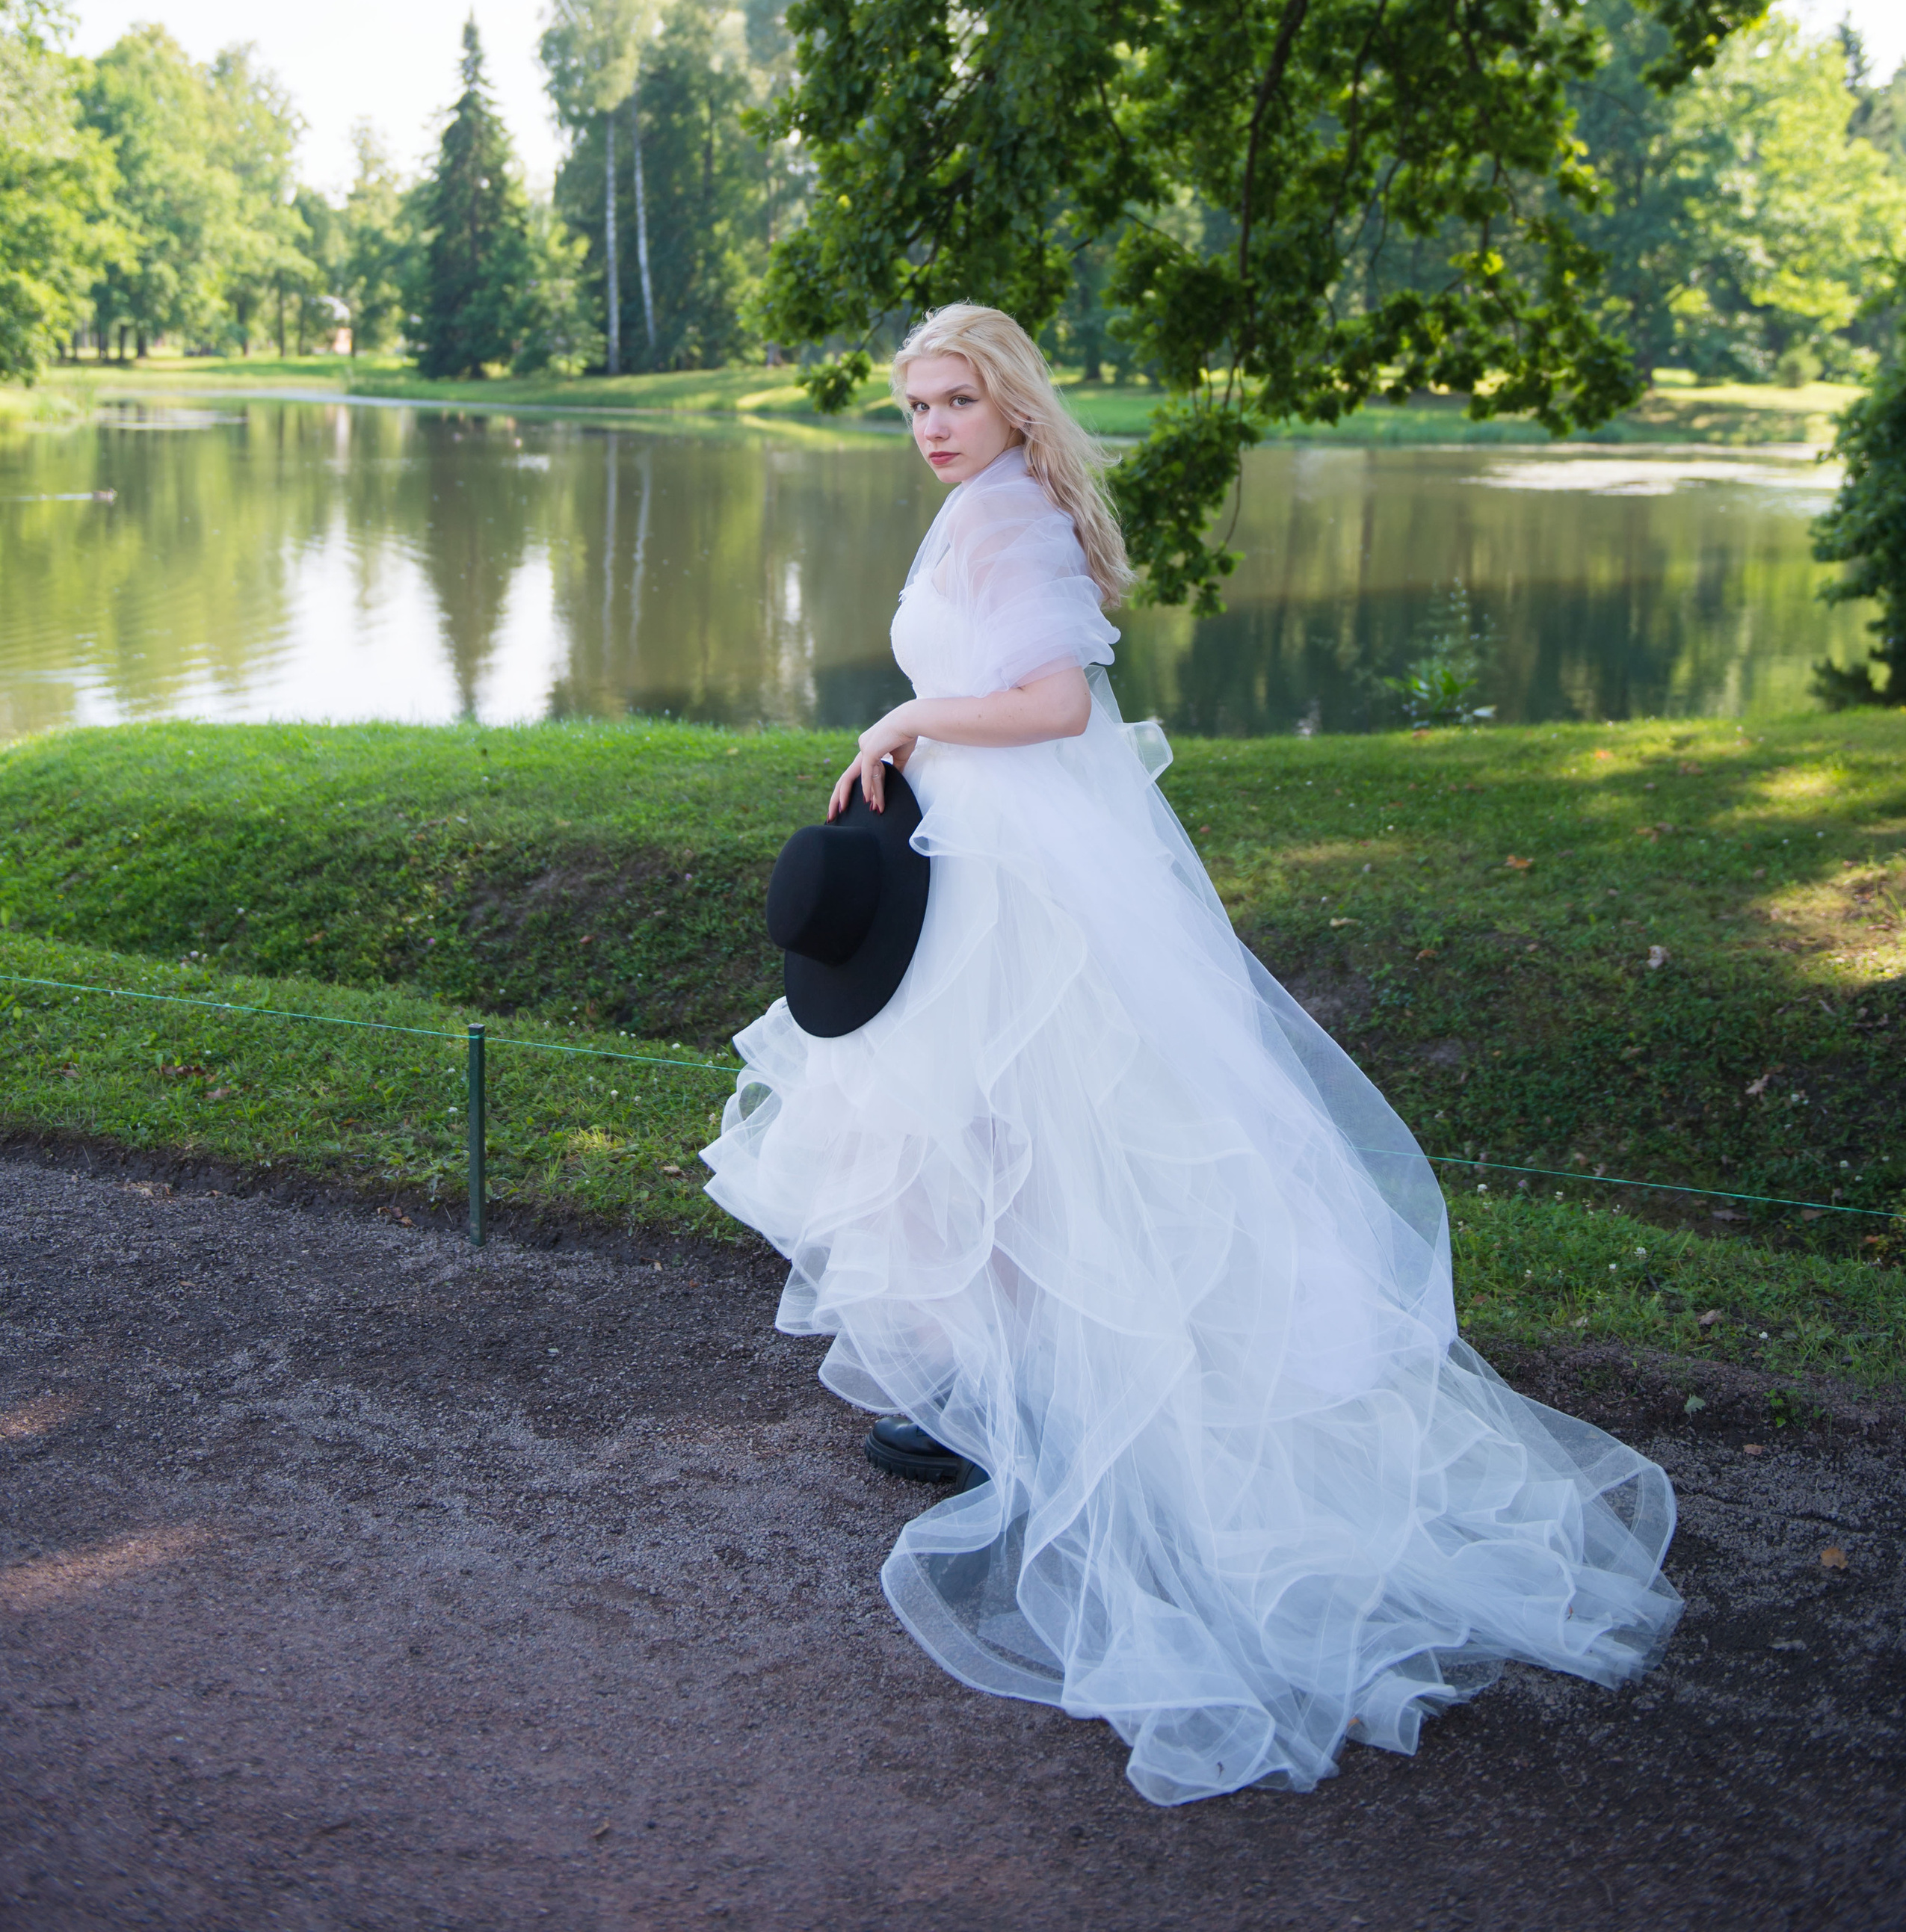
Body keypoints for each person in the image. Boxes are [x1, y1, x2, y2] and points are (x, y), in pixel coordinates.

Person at [701, 304, 1680, 1806]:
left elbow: (1053, 704)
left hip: (1024, 881)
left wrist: (902, 711)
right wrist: (911, 746)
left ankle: (1033, 1416)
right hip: (983, 855)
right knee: (983, 1141)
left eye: (954, 398)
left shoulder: (1008, 517)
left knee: (1022, 1138)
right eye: (912, 406)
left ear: (1011, 400)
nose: (932, 427)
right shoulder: (993, 504)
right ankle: (997, 1401)